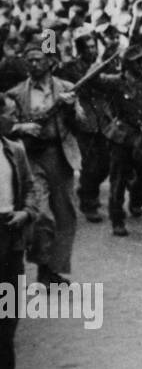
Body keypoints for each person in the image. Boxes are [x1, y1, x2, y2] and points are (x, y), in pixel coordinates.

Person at [6, 44, 80, 284]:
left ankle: (52, 268)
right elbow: (5, 124)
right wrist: (21, 127)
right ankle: (43, 264)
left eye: (38, 59)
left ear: (49, 61)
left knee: (65, 213)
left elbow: (84, 123)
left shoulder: (66, 89)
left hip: (59, 154)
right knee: (41, 215)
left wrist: (70, 109)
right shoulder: (17, 94)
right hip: (31, 157)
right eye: (29, 61)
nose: (34, 64)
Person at [82, 43, 142, 242]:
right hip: (123, 137)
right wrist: (101, 64)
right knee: (118, 180)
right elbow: (91, 80)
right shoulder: (115, 82)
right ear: (128, 64)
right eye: (138, 61)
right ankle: (117, 219)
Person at [0, 96, 39, 369]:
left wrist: (26, 213)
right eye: (10, 116)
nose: (15, 121)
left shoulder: (15, 150)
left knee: (8, 305)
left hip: (10, 233)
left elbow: (30, 189)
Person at [57, 33, 112, 223]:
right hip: (82, 120)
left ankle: (86, 190)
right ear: (80, 50)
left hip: (101, 119)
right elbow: (70, 91)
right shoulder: (70, 68)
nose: (92, 50)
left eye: (94, 46)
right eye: (88, 47)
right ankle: (90, 203)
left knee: (105, 163)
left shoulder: (103, 66)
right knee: (90, 164)